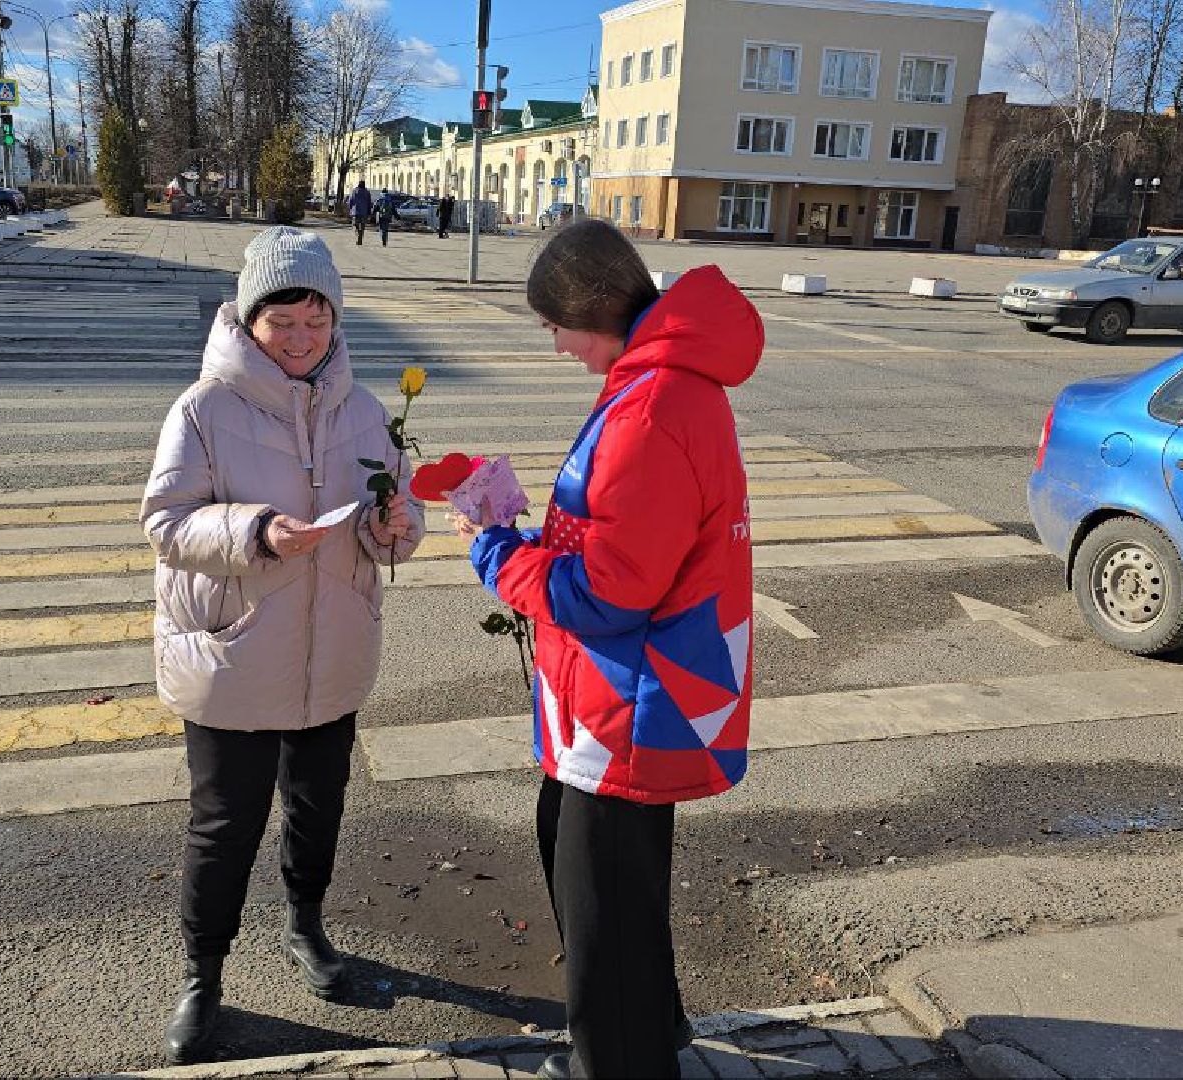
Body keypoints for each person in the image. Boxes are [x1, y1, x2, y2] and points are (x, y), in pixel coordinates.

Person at [454, 220, 761, 1079]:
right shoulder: (659, 383)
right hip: (631, 693)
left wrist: (495, 549)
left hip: (632, 702)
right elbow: (619, 549)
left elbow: (606, 594)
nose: (552, 344)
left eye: (552, 325)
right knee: (592, 872)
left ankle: (622, 1059)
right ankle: (648, 1027)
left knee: (602, 914)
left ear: (588, 310)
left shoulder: (653, 407)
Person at [141, 226, 423, 1066]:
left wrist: (393, 527)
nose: (301, 340)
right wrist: (258, 530)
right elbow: (165, 524)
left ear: (334, 321)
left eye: (315, 321)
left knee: (317, 805)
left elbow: (391, 529)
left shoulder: (366, 409)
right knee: (225, 823)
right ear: (249, 320)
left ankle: (307, 926)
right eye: (282, 323)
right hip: (233, 650)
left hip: (331, 647)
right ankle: (203, 975)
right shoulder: (204, 409)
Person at [348, 181, 373, 245]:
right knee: (362, 226)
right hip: (364, 212)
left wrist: (350, 208)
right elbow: (369, 203)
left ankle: (357, 230)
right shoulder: (367, 192)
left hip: (356, 211)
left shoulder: (354, 191)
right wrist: (369, 212)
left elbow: (351, 200)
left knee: (355, 224)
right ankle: (360, 239)